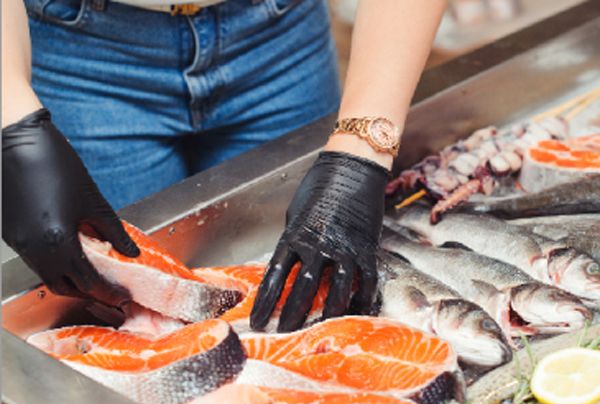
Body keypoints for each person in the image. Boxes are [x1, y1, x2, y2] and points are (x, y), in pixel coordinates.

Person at [2, 0, 446, 325]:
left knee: (313, 298)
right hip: (77, 51)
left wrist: (364, 149)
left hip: (279, 37)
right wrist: (13, 121)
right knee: (123, 317)